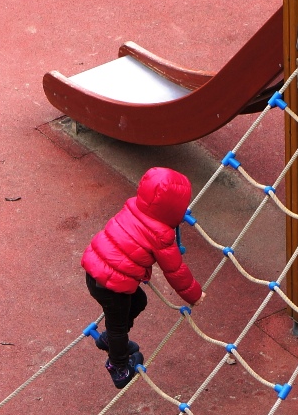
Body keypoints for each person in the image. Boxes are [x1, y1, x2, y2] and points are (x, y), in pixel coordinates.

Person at [82, 167, 206, 389]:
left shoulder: (131, 207)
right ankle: (118, 367)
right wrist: (194, 295)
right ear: (174, 209)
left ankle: (110, 340)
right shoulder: (162, 234)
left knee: (139, 301)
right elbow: (175, 271)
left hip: (95, 271)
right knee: (118, 325)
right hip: (113, 285)